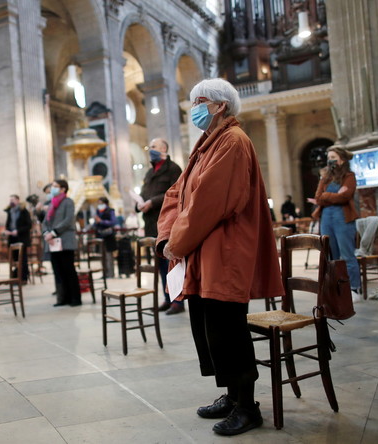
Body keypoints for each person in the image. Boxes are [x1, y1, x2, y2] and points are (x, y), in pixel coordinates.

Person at [156, 78, 284, 436]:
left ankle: (248, 406)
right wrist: (167, 235)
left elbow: (207, 204)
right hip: (203, 250)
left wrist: (176, 244)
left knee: (228, 327)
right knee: (210, 327)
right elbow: (176, 193)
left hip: (225, 252)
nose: (192, 109)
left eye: (198, 101)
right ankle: (230, 395)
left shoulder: (232, 141)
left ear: (219, 105)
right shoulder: (206, 143)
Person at [138, 137, 183, 314]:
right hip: (151, 223)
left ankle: (178, 302)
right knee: (160, 265)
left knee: (171, 263)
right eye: (150, 146)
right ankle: (167, 298)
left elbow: (175, 192)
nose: (151, 149)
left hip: (166, 222)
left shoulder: (173, 169)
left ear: (164, 148)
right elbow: (143, 193)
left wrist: (152, 202)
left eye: (154, 146)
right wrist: (140, 203)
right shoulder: (150, 172)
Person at [312, 146, 361, 299]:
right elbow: (318, 198)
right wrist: (332, 195)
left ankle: (353, 288)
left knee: (347, 254)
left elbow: (345, 196)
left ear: (342, 159)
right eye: (329, 157)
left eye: (333, 156)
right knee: (331, 254)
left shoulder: (349, 176)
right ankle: (336, 287)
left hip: (342, 217)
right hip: (326, 217)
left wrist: (327, 196)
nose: (330, 160)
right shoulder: (325, 177)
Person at [42, 179, 81, 307]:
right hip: (52, 243)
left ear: (63, 189)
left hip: (65, 241)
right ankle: (62, 298)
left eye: (55, 186)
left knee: (68, 270)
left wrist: (53, 233)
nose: (52, 188)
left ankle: (75, 298)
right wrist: (46, 234)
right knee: (58, 271)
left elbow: (68, 220)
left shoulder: (68, 202)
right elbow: (45, 222)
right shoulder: (52, 204)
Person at [4, 194, 31, 283]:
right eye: (10, 200)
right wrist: (7, 231)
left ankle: (23, 278)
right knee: (15, 259)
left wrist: (18, 231)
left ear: (18, 200)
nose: (11, 201)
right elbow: (8, 224)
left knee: (22, 259)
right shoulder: (10, 211)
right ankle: (15, 277)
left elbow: (28, 225)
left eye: (13, 199)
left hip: (21, 238)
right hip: (12, 239)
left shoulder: (23, 211)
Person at [93, 196, 117, 278]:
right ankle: (104, 273)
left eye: (101, 203)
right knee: (102, 255)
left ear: (105, 203)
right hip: (100, 235)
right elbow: (95, 224)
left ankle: (110, 273)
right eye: (98, 203)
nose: (99, 205)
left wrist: (101, 221)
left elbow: (113, 222)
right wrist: (96, 222)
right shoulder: (98, 211)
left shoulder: (110, 211)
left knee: (109, 256)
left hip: (108, 236)